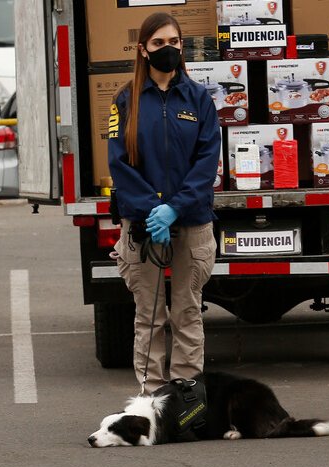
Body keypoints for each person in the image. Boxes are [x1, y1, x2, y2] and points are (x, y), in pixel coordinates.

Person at [107, 12, 220, 395]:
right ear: (143, 49)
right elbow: (118, 162)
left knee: (187, 312)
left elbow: (207, 163)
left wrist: (175, 206)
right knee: (149, 317)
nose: (167, 49)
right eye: (158, 43)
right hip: (142, 224)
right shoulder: (125, 100)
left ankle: (186, 399)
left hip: (192, 221)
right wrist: (150, 206)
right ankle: (151, 397)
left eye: (173, 42)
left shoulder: (200, 99)